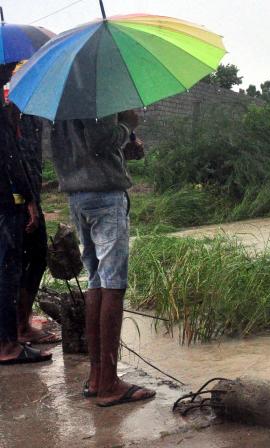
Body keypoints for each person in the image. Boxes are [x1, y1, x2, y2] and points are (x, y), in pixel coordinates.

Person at [51, 110, 154, 406]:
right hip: (105, 196)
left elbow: (87, 143)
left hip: (77, 195)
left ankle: (97, 377)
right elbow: (100, 140)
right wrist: (127, 125)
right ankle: (109, 383)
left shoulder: (62, 94)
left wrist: (123, 141)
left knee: (96, 281)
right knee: (113, 285)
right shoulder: (98, 86)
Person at [0, 62, 51, 365]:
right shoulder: (6, 110)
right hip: (10, 199)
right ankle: (8, 344)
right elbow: (10, 157)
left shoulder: (16, 109)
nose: (9, 67)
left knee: (29, 259)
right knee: (9, 268)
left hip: (19, 194)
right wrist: (28, 197)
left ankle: (19, 328)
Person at [15, 107, 57, 344]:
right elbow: (18, 156)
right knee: (31, 257)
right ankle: (20, 325)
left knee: (29, 258)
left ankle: (21, 320)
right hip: (19, 198)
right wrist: (28, 198)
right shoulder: (17, 111)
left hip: (24, 195)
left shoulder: (28, 112)